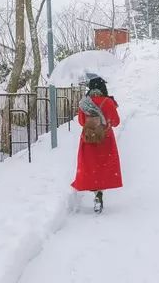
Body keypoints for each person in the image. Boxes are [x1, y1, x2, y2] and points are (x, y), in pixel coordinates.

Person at [71, 76, 122, 214]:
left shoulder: (84, 103)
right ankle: (100, 193)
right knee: (104, 167)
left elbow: (82, 122)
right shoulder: (108, 102)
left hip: (88, 140)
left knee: (90, 166)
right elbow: (116, 122)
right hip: (105, 139)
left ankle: (95, 193)